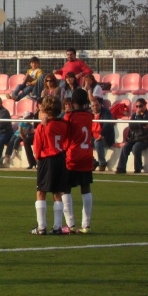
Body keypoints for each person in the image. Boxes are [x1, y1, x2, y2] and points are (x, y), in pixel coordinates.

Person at [31, 96, 68, 235]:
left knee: (41, 192)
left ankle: (41, 227)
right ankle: (57, 227)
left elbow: (37, 147)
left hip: (47, 160)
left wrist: (37, 159)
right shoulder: (64, 124)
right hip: (60, 159)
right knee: (57, 193)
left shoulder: (43, 126)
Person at [61, 88, 95, 235]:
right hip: (87, 154)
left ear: (72, 101)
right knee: (85, 187)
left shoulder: (70, 117)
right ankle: (86, 225)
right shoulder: (89, 116)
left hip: (73, 156)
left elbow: (64, 133)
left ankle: (70, 225)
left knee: (66, 188)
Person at [115, 98, 148, 174]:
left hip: (145, 138)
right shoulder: (134, 115)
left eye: (140, 106)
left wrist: (139, 118)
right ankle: (121, 168)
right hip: (134, 138)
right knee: (125, 148)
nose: (138, 108)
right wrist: (141, 124)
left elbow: (142, 123)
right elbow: (131, 125)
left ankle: (138, 168)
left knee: (136, 147)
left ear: (145, 105)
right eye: (137, 106)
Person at [90, 96, 115, 171]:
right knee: (83, 144)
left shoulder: (106, 113)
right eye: (93, 106)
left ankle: (102, 163)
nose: (95, 107)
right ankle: (93, 162)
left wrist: (102, 134)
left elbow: (107, 125)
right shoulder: (89, 113)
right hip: (93, 136)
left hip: (105, 136)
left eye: (96, 105)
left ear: (100, 104)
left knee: (98, 143)